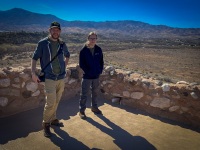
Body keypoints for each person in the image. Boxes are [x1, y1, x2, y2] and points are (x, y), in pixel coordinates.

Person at [31, 21, 70, 137]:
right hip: (49, 78)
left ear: (60, 31)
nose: (55, 32)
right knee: (50, 102)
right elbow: (34, 58)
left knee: (57, 100)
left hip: (61, 77)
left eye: (57, 30)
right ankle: (46, 124)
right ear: (49, 30)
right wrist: (33, 73)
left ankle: (53, 119)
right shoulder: (43, 43)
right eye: (53, 29)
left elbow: (67, 55)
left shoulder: (62, 44)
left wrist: (64, 66)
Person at [79, 31, 104, 119]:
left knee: (95, 93)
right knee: (84, 94)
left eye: (94, 38)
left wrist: (99, 71)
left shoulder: (98, 49)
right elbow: (81, 64)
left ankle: (94, 107)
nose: (93, 40)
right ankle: (82, 111)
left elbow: (101, 62)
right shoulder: (84, 50)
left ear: (96, 39)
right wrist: (88, 72)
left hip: (96, 76)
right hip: (87, 76)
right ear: (88, 39)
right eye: (91, 38)